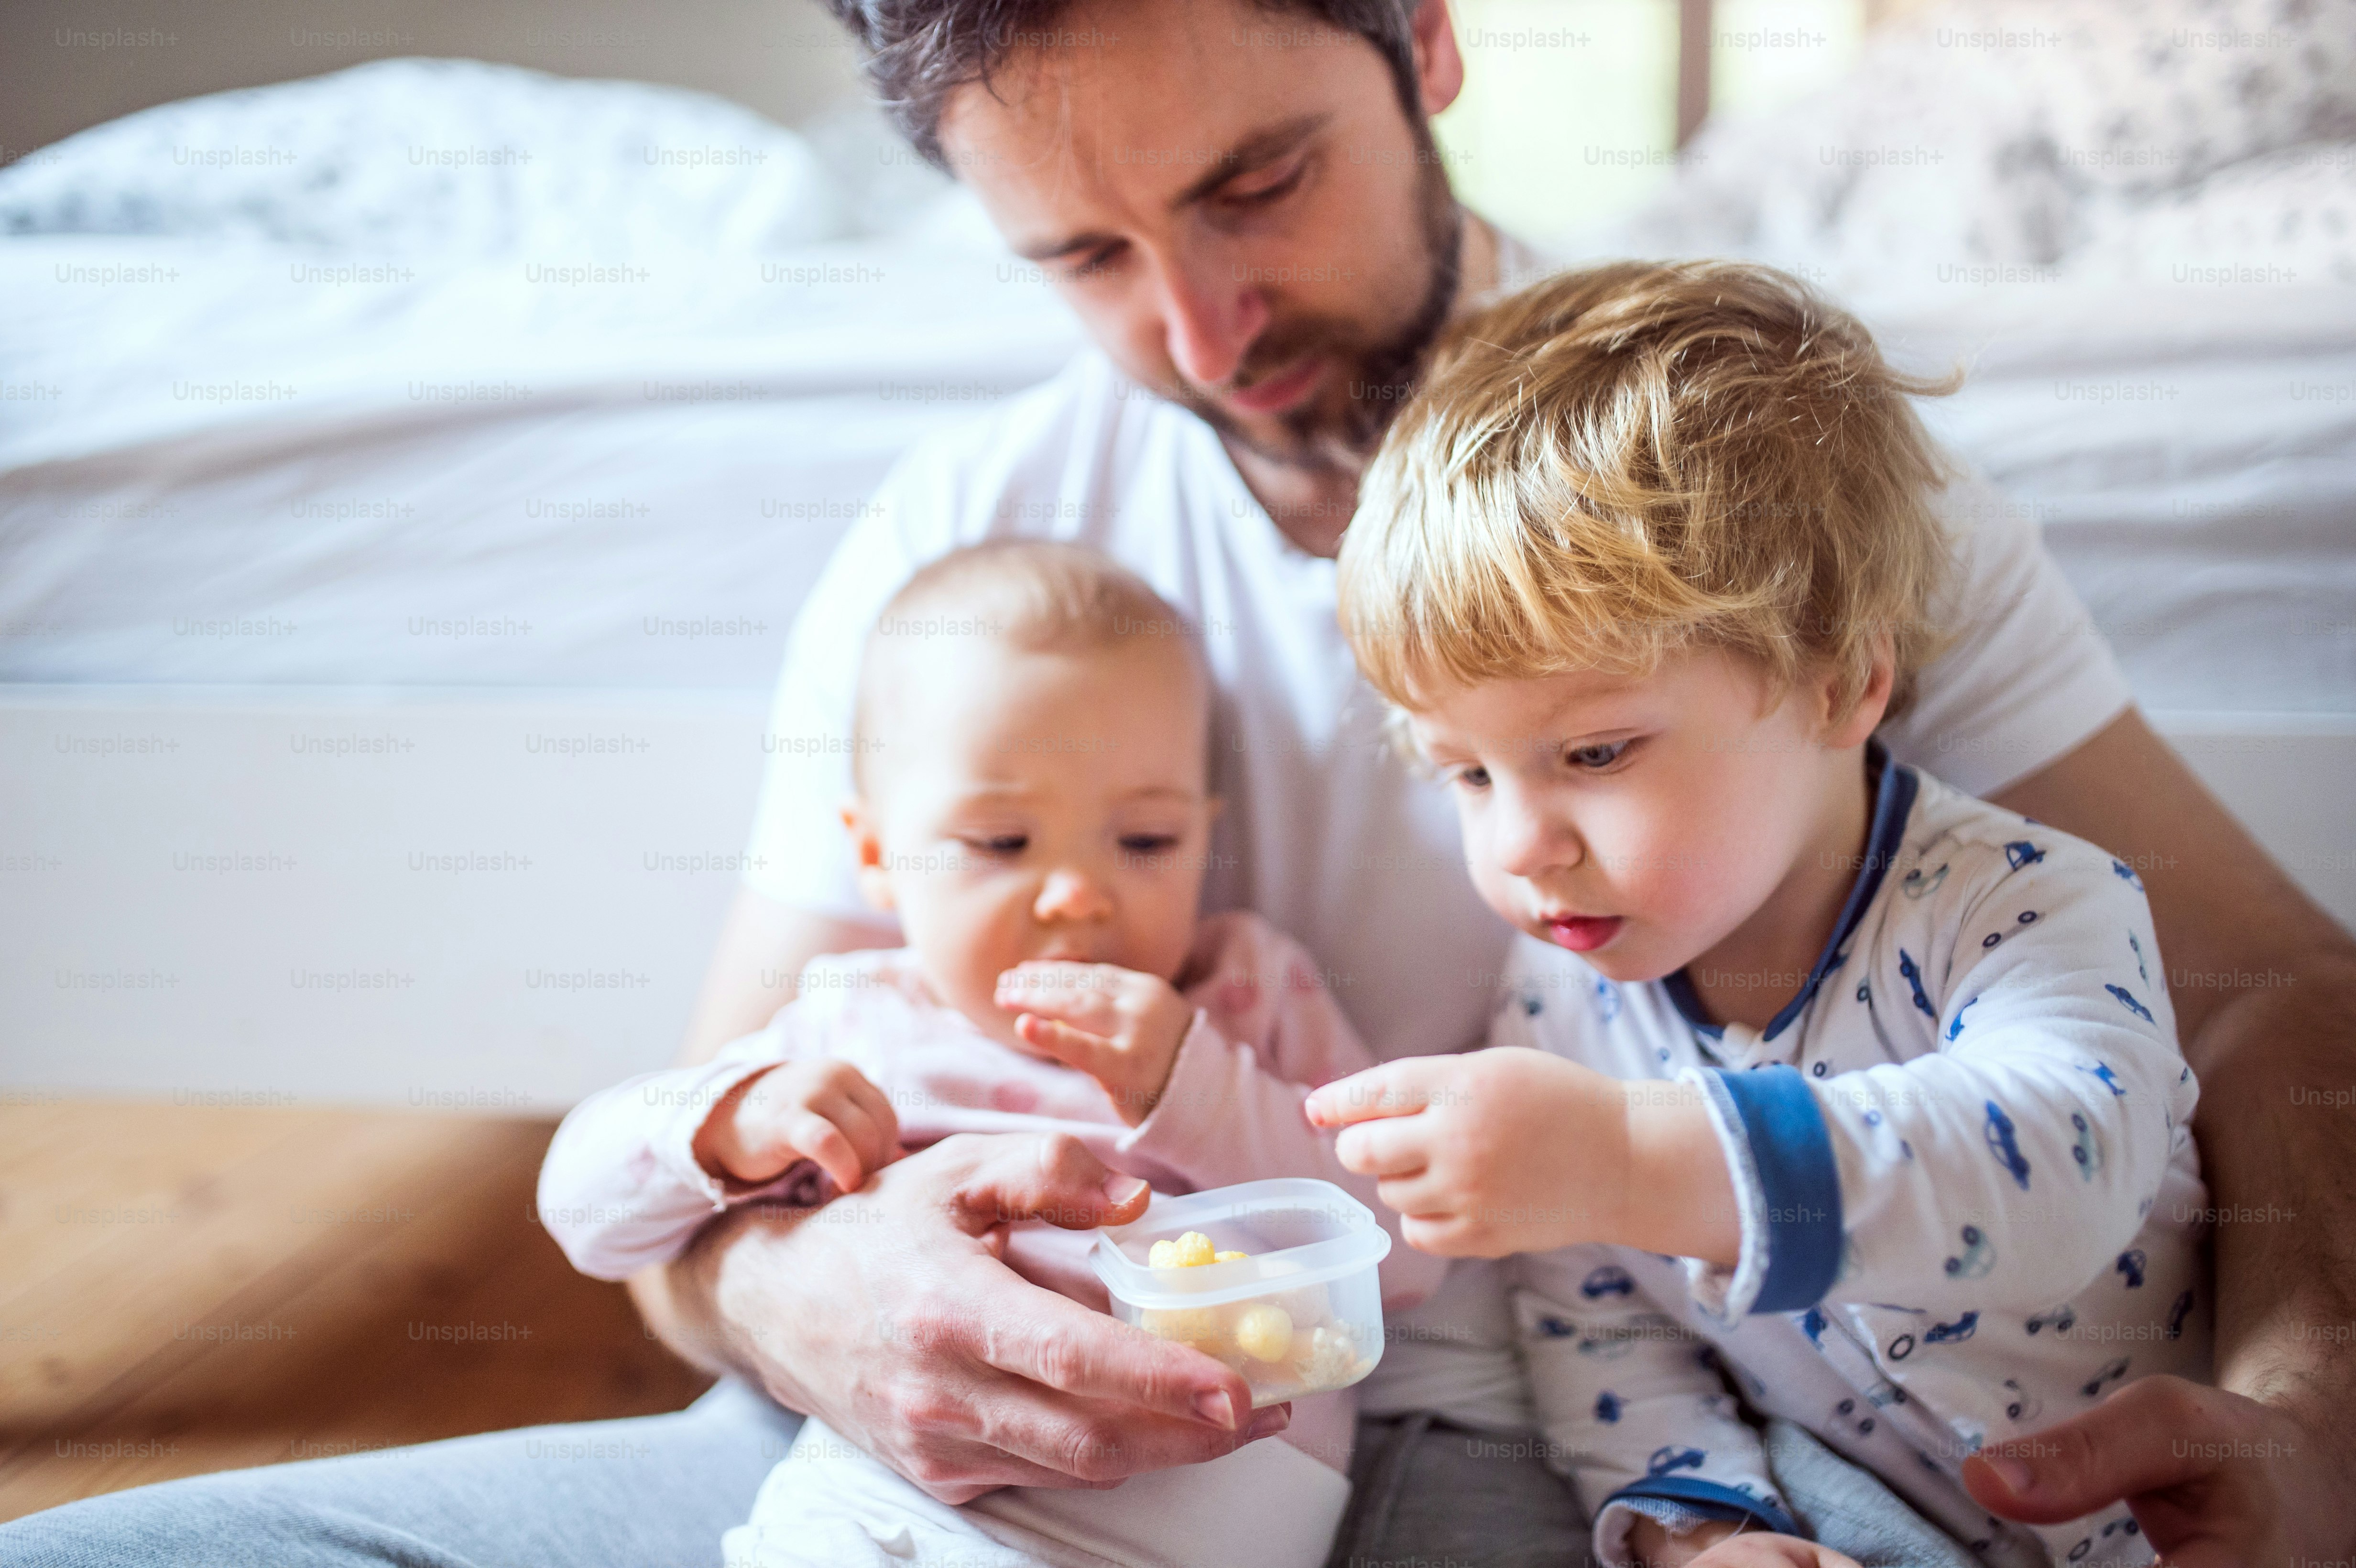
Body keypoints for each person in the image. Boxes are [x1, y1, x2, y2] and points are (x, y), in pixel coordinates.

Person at [8, 1, 2349, 1563]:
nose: (1203, 338)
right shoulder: (964, 545)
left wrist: (2307, 1421)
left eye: (1255, 187)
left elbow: (2260, 998)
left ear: (1425, 37)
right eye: (1086, 256)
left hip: (1569, 1481)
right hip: (933, 1486)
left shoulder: (1771, 489)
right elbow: (704, 1167)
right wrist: (813, 1293)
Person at [1305, 259, 2208, 1568]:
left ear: (1840, 685)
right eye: (1467, 773)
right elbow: (1597, 1323)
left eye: (1598, 754)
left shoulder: (2025, 905)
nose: (1521, 844)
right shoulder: (1562, 995)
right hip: (1850, 1511)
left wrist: (1624, 1159)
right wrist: (1697, 1529)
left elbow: (2061, 1172)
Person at [536, 540, 1440, 1568]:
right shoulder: (865, 1026)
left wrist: (1196, 1086)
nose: (1075, 895)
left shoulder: (1246, 996)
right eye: (1002, 843)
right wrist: (722, 1118)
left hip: (1218, 1515)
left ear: (1205, 833)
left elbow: (1408, 1251)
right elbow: (590, 1217)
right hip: (894, 1518)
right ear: (877, 856)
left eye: (1144, 840)